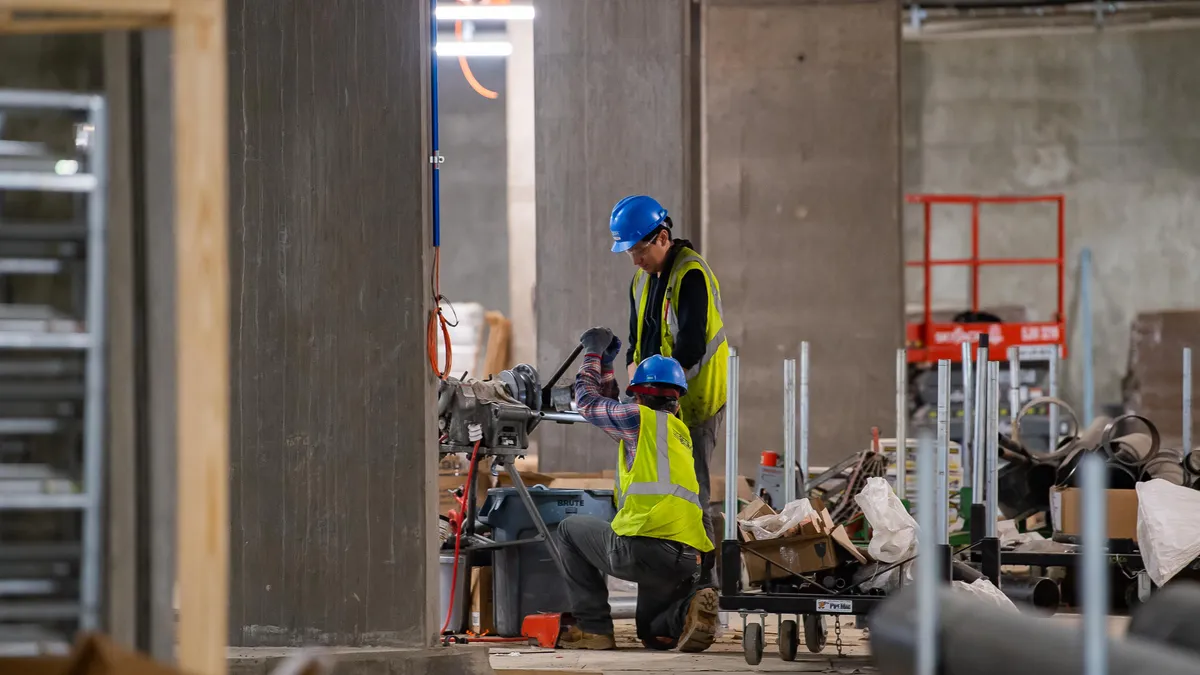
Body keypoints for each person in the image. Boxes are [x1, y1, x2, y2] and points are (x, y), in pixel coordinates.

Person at [554, 326, 718, 652]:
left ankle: (595, 629)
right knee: (656, 637)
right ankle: (684, 614)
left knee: (568, 531)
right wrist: (607, 366)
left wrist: (592, 352)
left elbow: (587, 402)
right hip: (685, 558)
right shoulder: (677, 432)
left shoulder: (637, 419)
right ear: (677, 396)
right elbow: (610, 405)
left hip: (642, 551)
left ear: (639, 394)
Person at [609, 195, 728, 578]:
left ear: (662, 237)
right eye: (628, 252)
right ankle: (670, 579)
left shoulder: (691, 275)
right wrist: (634, 377)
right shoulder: (642, 280)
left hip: (693, 404)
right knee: (660, 492)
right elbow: (637, 340)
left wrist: (661, 394)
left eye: (639, 249)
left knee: (692, 494)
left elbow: (691, 347)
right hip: (658, 403)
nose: (635, 260)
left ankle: (704, 588)